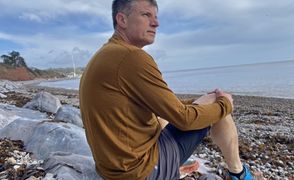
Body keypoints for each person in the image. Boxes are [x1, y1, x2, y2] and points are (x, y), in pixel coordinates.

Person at [80, 0, 258, 179]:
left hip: (114, 168)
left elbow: (165, 106)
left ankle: (187, 162)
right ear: (122, 20)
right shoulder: (131, 57)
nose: (155, 23)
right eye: (146, 15)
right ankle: (239, 173)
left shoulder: (107, 55)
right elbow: (184, 119)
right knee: (216, 104)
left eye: (156, 17)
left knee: (195, 104)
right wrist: (225, 104)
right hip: (141, 171)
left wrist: (198, 102)